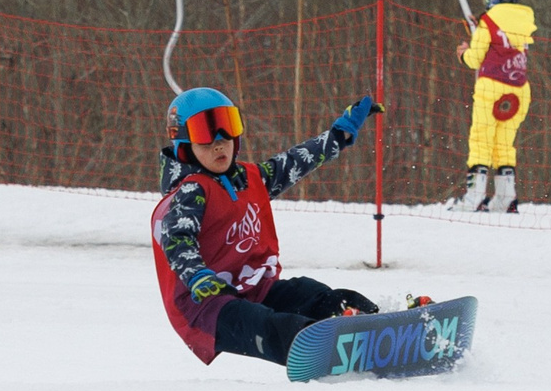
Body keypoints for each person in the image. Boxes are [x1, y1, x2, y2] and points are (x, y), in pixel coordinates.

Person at [150, 86, 384, 368]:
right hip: (207, 304)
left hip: (253, 288)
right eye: (205, 134)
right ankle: (331, 351)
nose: (219, 142)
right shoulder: (189, 193)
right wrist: (196, 274)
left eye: (228, 127)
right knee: (276, 326)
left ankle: (382, 328)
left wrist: (338, 135)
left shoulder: (249, 178)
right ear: (185, 145)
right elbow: (177, 237)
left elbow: (294, 162)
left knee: (317, 295)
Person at [454, 0, 536, 213]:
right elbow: (505, 46)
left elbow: (476, 58)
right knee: (504, 143)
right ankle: (505, 197)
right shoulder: (524, 21)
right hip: (519, 90)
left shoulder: (489, 21)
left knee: (481, 139)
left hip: (491, 86)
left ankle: (474, 196)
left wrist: (463, 54)